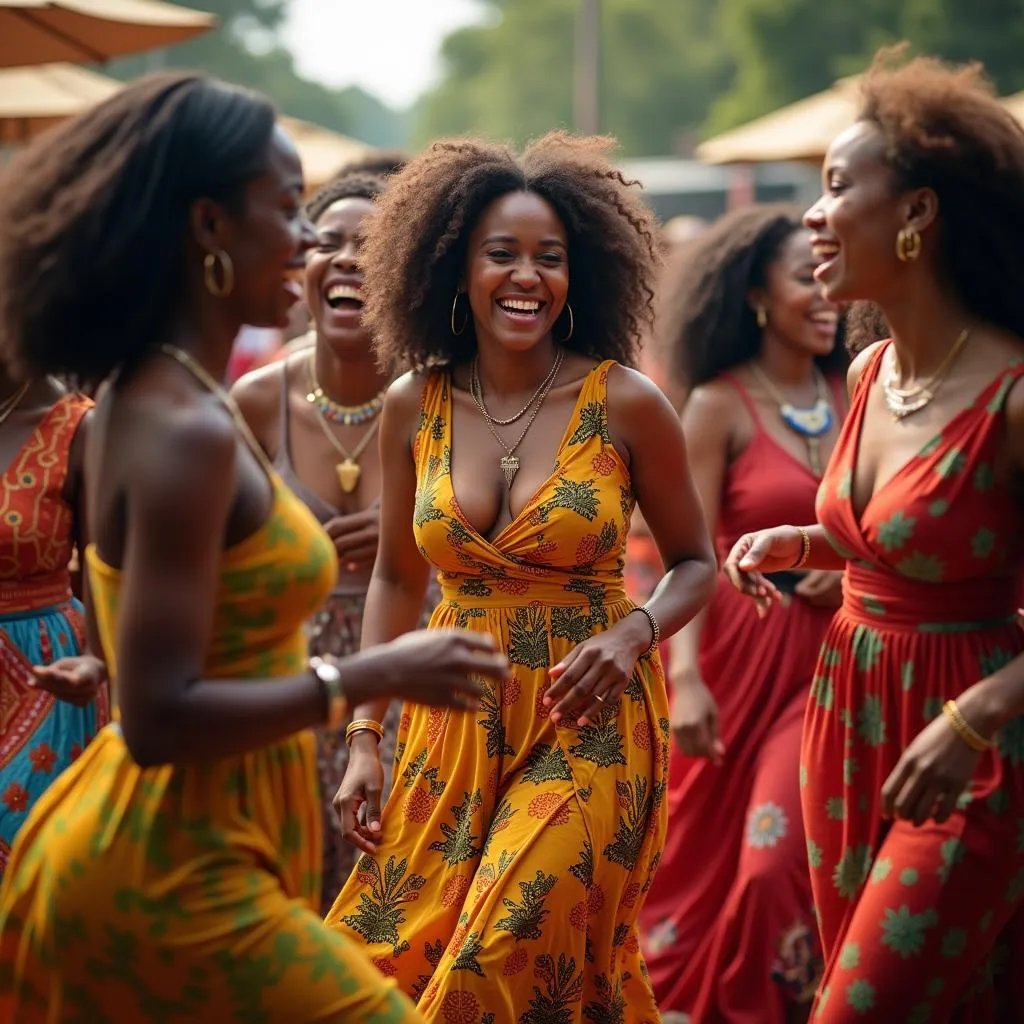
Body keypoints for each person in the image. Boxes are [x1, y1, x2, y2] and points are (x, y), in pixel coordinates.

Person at [0, 71, 511, 1023]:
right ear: (208, 230)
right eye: (287, 208)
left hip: (211, 848)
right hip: (170, 872)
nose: (313, 239)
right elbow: (154, 718)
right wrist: (369, 677)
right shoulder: (182, 425)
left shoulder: (167, 396)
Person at [322, 132, 717, 1022]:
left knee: (509, 938)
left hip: (591, 715)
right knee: (400, 955)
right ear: (454, 269)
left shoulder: (623, 401)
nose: (527, 277)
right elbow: (394, 577)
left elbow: (698, 563)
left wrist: (632, 633)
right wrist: (365, 740)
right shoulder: (410, 405)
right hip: (450, 716)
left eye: (552, 259)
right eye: (502, 254)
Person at [724, 49, 1024, 1021]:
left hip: (969, 738)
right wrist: (796, 542)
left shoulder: (1013, 395)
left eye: (837, 187)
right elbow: (901, 541)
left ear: (917, 214)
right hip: (848, 716)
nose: (813, 214)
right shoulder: (869, 373)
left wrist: (973, 718)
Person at [638, 205, 847, 1024]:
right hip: (733, 653)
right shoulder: (718, 405)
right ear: (758, 293)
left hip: (834, 659)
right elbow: (672, 550)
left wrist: (851, 559)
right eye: (806, 277)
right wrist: (683, 681)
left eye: (830, 275)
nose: (826, 292)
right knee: (708, 860)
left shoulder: (861, 384)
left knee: (778, 862)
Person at [234, 171, 430, 913]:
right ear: (302, 266)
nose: (347, 258)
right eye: (330, 242)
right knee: (296, 891)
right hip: (291, 680)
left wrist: (408, 530)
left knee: (403, 891)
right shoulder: (255, 400)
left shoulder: (441, 398)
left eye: (370, 245)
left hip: (414, 669)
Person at [0, 375, 108, 872]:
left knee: (32, 868)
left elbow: (103, 573)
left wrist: (98, 660)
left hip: (46, 678)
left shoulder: (79, 426)